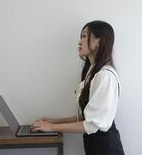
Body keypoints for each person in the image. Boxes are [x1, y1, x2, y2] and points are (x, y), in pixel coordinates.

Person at [31, 20, 125, 155]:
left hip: (106, 149)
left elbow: (91, 124)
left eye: (84, 36)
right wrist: (54, 121)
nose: (79, 42)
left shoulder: (105, 76)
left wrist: (52, 127)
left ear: (99, 41)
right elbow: (86, 117)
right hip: (96, 147)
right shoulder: (93, 72)